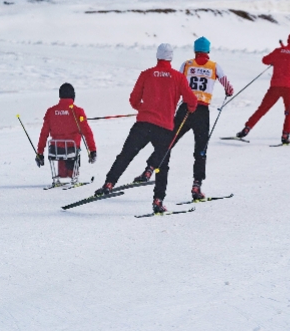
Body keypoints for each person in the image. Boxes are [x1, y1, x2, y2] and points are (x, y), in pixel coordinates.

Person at [96, 44, 198, 214]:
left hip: (143, 124)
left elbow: (134, 99)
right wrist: (190, 109)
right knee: (162, 166)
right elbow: (192, 101)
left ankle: (109, 183)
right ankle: (158, 200)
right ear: (171, 58)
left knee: (126, 155)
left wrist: (144, 109)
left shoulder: (146, 74)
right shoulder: (178, 78)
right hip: (164, 129)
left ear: (157, 56)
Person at [160, 37, 234, 200]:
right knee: (200, 149)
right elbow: (229, 88)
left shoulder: (187, 65)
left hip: (185, 109)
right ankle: (196, 186)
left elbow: (175, 83)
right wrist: (227, 92)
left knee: (170, 140)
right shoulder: (214, 66)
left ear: (195, 50)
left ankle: (151, 169)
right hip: (202, 111)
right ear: (208, 51)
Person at [236, 32, 290, 145]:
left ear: (288, 40)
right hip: (289, 87)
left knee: (262, 109)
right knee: (289, 112)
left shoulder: (278, 51)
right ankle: (285, 135)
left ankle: (247, 128)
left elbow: (265, 60)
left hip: (275, 86)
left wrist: (275, 61)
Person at [35, 83, 97, 185]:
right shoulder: (78, 111)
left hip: (55, 150)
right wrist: (92, 151)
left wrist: (40, 153)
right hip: (71, 149)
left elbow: (44, 134)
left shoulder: (51, 111)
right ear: (73, 96)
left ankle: (61, 176)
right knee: (71, 150)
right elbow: (87, 132)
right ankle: (73, 175)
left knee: (62, 149)